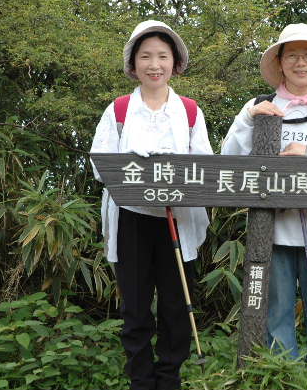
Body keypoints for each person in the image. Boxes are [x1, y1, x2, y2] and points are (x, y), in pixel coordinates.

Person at [221, 23, 307, 381]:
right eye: (292, 56)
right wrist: (249, 121)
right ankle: (287, 383)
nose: (301, 63)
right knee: (276, 320)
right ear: (280, 62)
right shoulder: (259, 106)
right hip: (272, 234)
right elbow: (230, 159)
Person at [90, 20, 213, 390]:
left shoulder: (189, 110)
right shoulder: (119, 110)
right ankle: (140, 380)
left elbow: (205, 166)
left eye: (162, 56)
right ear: (133, 63)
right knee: (135, 305)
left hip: (178, 219)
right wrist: (138, 166)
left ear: (175, 62)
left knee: (176, 304)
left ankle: (169, 377)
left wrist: (171, 171)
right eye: (145, 56)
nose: (154, 64)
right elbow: (100, 164)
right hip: (131, 219)